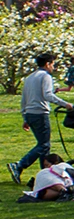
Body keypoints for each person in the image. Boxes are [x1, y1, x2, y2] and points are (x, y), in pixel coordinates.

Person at [10, 51, 58, 185]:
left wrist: (25, 117)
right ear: (47, 64)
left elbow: (24, 99)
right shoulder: (45, 77)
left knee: (44, 146)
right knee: (44, 145)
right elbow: (48, 95)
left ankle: (44, 175)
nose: (53, 68)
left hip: (30, 114)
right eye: (53, 64)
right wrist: (66, 104)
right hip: (40, 113)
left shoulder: (29, 77)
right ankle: (19, 165)